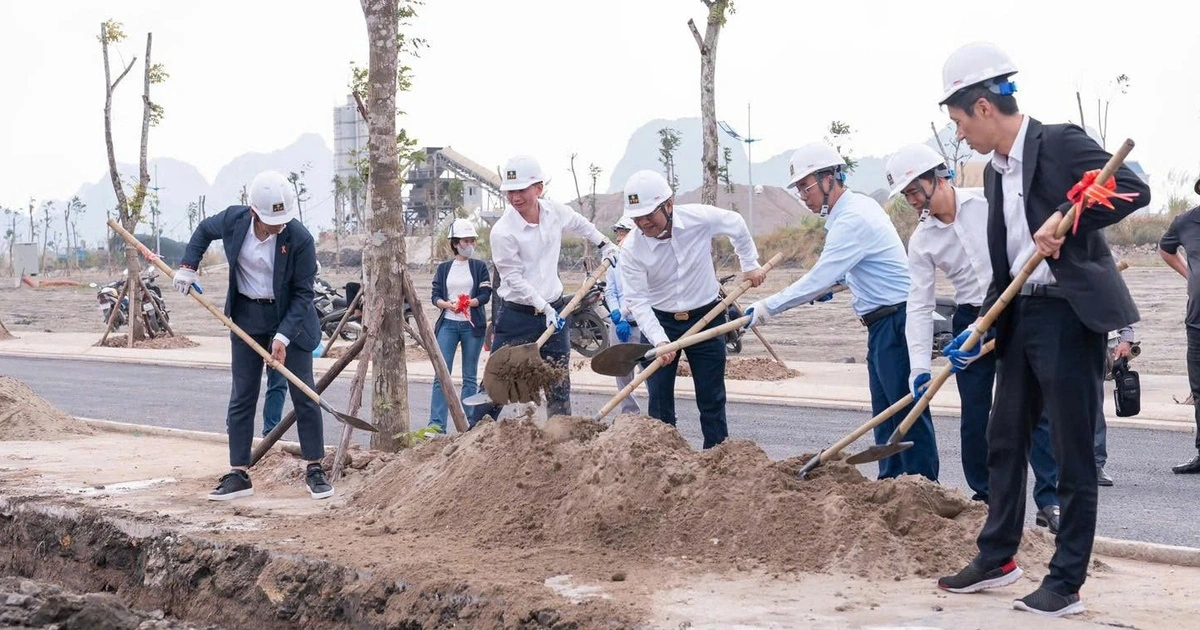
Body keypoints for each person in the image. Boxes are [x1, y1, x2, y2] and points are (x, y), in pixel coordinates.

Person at [932, 42, 1149, 616]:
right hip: (1021, 314)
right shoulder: (997, 173)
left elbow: (1132, 187)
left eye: (958, 121)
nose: (959, 135)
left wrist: (1070, 217)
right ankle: (999, 555)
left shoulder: (1059, 142)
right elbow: (1008, 256)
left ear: (983, 106)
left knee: (1073, 450)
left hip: (1068, 315)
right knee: (1004, 440)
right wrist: (984, 319)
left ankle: (1066, 582)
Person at [885, 143, 1061, 532]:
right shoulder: (922, 240)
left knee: (1037, 409)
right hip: (969, 318)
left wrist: (994, 320)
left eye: (916, 190)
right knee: (977, 415)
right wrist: (919, 369)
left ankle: (1051, 499)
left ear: (939, 177)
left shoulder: (987, 202)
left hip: (1016, 305)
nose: (914, 201)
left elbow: (1027, 253)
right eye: (907, 195)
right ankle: (987, 498)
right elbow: (918, 305)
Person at [745, 142, 938, 481]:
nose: (803, 195)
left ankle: (924, 486)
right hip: (882, 324)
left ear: (830, 178)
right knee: (885, 414)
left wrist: (765, 308)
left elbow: (818, 276)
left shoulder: (852, 218)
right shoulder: (853, 209)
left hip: (897, 320)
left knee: (905, 411)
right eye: (799, 188)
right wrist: (839, 284)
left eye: (807, 185)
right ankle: (890, 484)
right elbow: (855, 269)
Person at [173, 170, 332, 502]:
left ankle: (315, 467)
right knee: (243, 395)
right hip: (246, 316)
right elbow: (203, 231)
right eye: (273, 220)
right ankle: (239, 473)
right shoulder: (234, 220)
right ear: (254, 212)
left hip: (292, 320)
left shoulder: (299, 238)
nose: (279, 226)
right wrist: (188, 266)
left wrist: (283, 337)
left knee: (305, 394)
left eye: (284, 220)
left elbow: (304, 295)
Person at [619, 170, 764, 448]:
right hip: (660, 322)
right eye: (637, 218)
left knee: (711, 396)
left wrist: (749, 263)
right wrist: (661, 340)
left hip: (706, 317)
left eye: (649, 214)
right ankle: (665, 457)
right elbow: (637, 300)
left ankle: (716, 456)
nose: (644, 222)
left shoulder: (698, 218)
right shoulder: (632, 250)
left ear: (669, 205)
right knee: (659, 400)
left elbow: (735, 222)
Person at [470, 155, 617, 425]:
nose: (515, 198)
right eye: (510, 192)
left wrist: (604, 244)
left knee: (557, 379)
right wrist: (543, 307)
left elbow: (579, 223)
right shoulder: (503, 232)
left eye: (521, 190)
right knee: (497, 382)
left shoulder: (554, 212)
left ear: (538, 188)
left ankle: (559, 438)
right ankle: (473, 440)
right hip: (517, 316)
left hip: (556, 310)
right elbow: (512, 278)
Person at [428, 218, 492, 433]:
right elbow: (435, 295)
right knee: (441, 375)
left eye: (472, 240)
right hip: (448, 324)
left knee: (469, 377)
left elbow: (485, 294)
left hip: (471, 327)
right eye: (465, 241)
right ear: (455, 243)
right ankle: (436, 425)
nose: (470, 245)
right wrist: (446, 304)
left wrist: (469, 303)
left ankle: (467, 426)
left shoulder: (479, 267)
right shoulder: (445, 268)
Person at [1158, 197, 1200, 474]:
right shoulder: (1186, 221)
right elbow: (1165, 248)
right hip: (1196, 322)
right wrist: (1190, 274)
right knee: (1199, 391)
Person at [604, 216, 642, 415]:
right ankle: (630, 414)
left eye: (624, 233)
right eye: (618, 233)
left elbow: (644, 294)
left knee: (652, 372)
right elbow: (611, 291)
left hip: (643, 325)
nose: (619, 238)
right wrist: (616, 315)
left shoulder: (644, 259)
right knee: (622, 373)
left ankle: (660, 415)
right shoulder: (614, 261)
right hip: (620, 325)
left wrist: (626, 313)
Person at [1096, 324, 1136, 485]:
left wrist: (1126, 338)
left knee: (1093, 407)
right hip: (1056, 344)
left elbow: (1116, 301)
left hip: (1092, 346)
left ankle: (1095, 464)